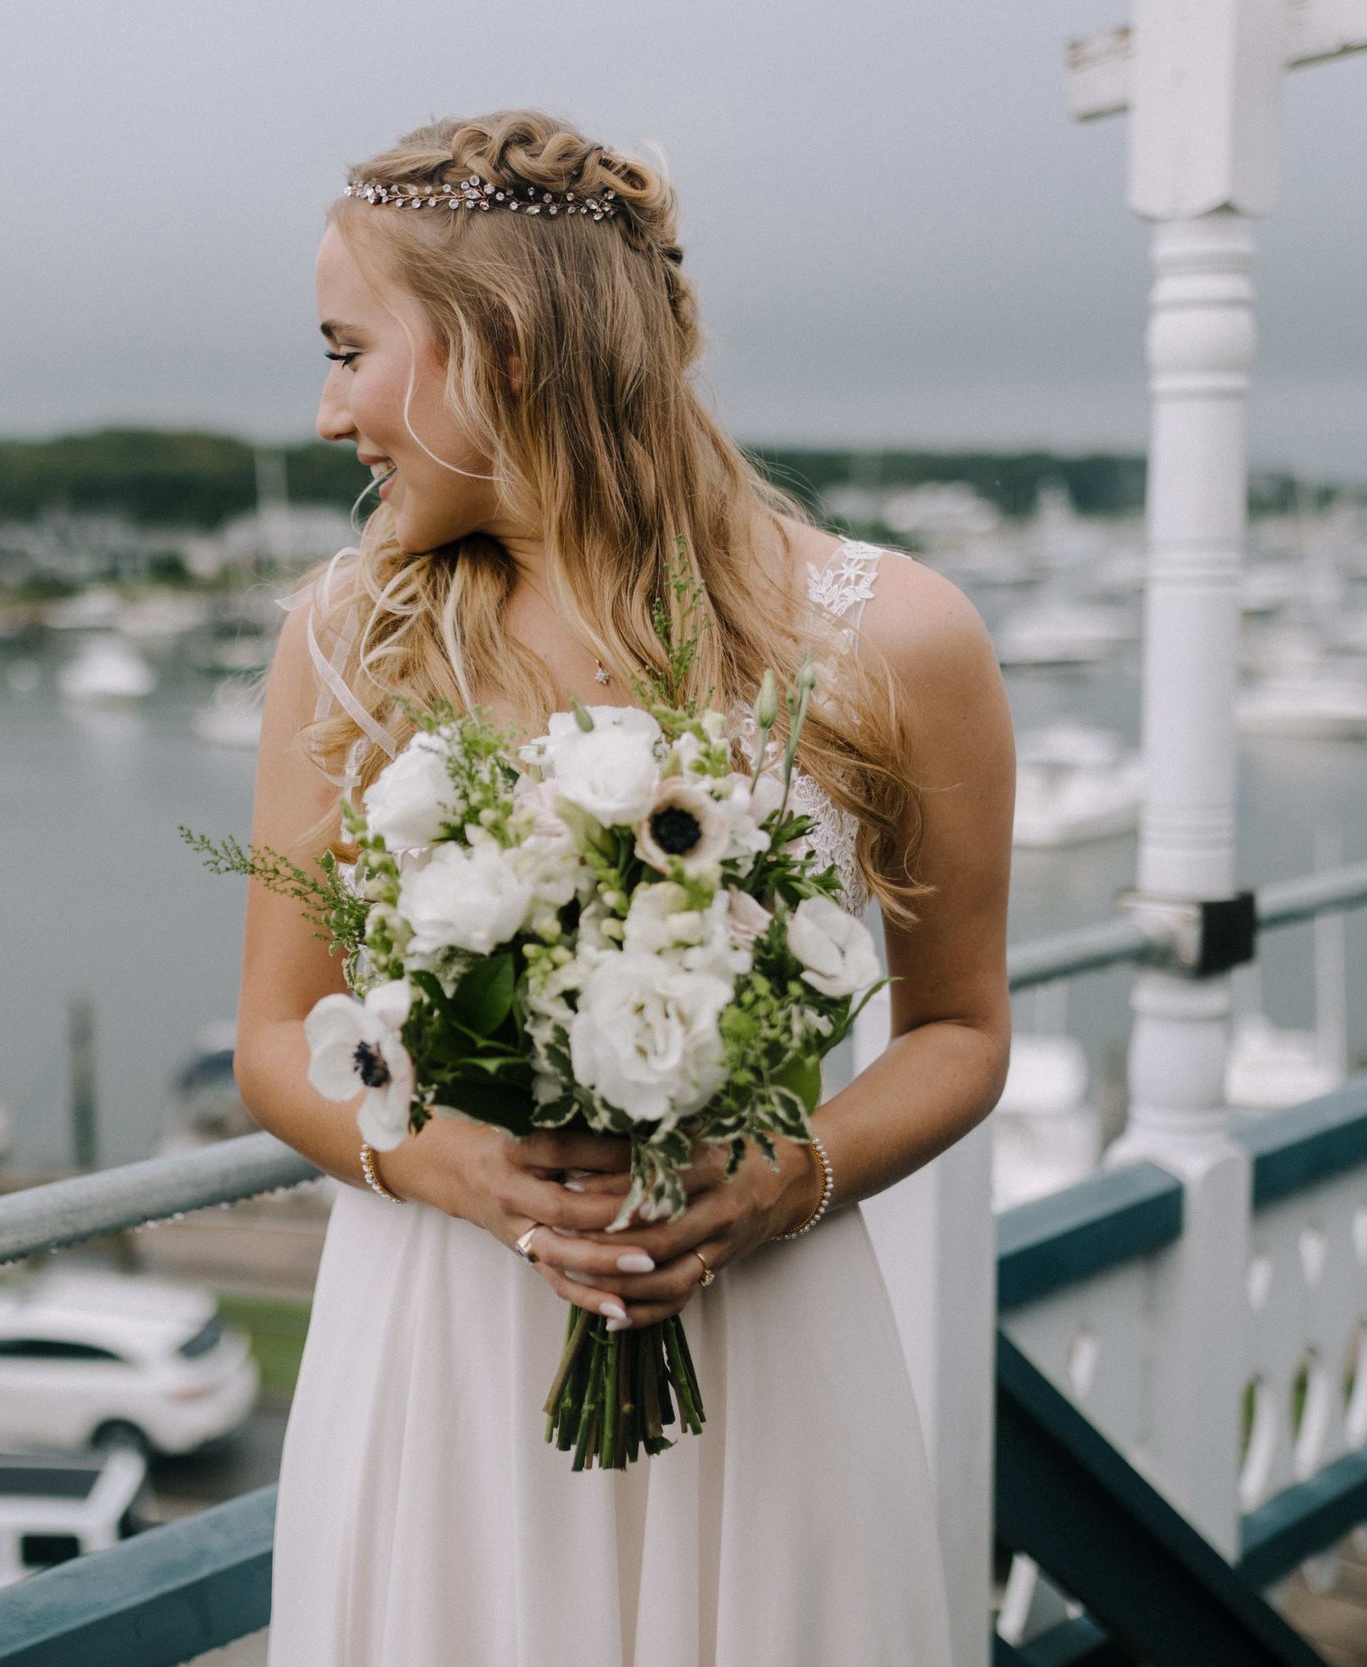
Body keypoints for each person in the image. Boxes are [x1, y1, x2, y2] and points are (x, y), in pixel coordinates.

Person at [233, 109, 1014, 1666]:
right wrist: (450, 1170)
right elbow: (275, 1038)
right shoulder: (347, 636)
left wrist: (790, 1176)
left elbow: (961, 1031)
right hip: (439, 1349)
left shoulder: (894, 639)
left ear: (499, 348)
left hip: (757, 1332)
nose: (330, 415)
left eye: (348, 350)